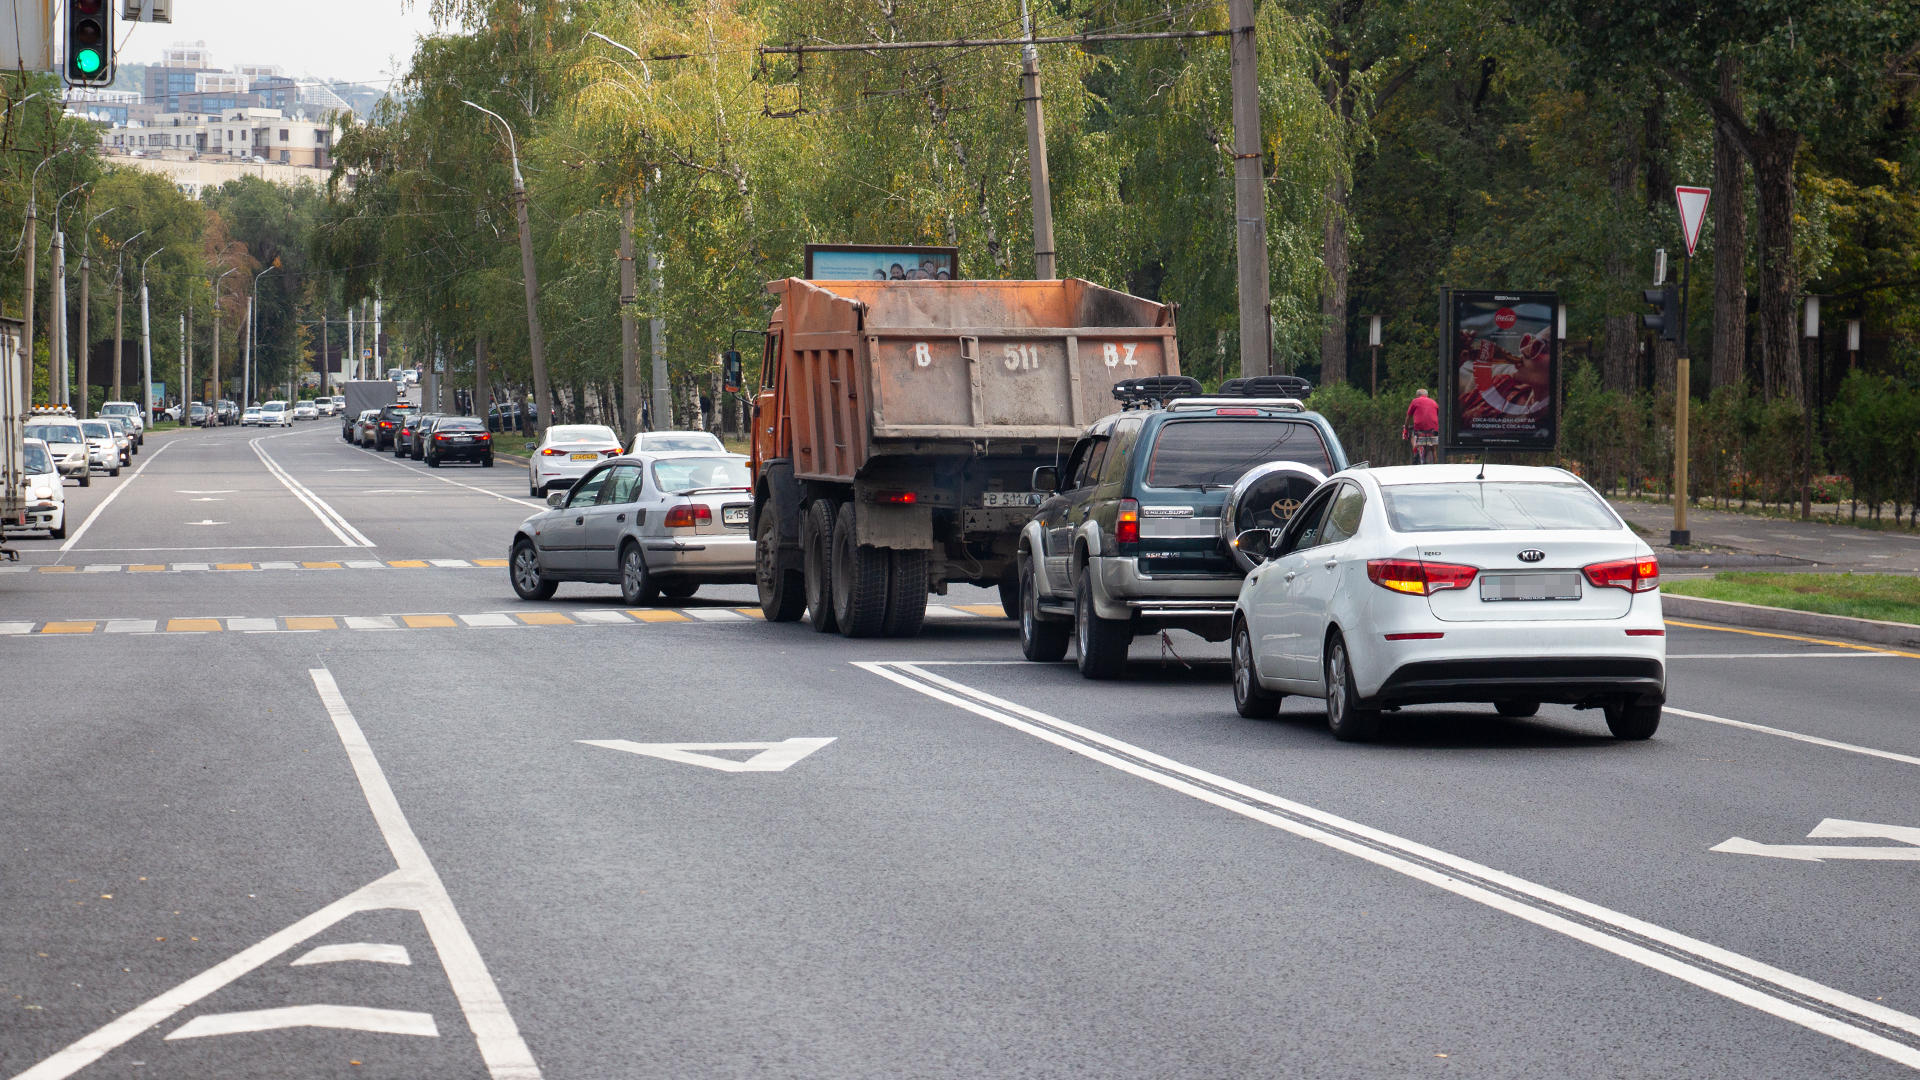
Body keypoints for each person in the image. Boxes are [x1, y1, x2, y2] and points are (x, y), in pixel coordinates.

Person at [1403, 388, 1439, 464]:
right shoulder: (1434, 402)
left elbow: (1408, 416)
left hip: (1420, 429)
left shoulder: (1415, 401)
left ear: (1417, 395)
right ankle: (1436, 464)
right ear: (1427, 395)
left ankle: (1416, 450)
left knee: (1413, 435)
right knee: (1434, 449)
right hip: (1433, 429)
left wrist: (1405, 428)